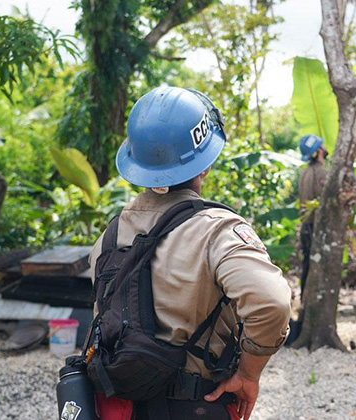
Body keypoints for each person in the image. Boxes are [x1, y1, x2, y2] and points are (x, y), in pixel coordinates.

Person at [88, 86, 291, 420]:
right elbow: (271, 303)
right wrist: (249, 373)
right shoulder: (216, 230)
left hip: (119, 404)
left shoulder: (111, 234)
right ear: (205, 164)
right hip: (196, 404)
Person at [297, 134, 329, 297]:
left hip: (305, 227)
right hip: (316, 227)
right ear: (319, 152)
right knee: (315, 268)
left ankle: (304, 301)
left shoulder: (304, 173)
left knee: (307, 266)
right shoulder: (322, 173)